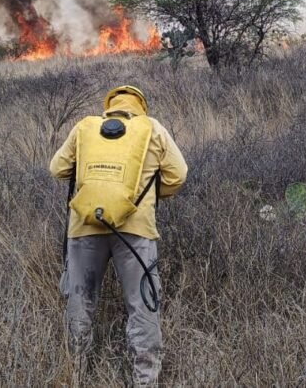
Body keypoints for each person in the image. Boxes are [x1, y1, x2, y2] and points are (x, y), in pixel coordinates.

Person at [49, 85, 188, 386]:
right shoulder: (153, 129)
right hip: (135, 231)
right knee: (142, 306)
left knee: (80, 304)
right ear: (141, 107)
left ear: (108, 107)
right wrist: (145, 196)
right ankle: (146, 380)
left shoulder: (84, 128)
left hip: (84, 226)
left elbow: (57, 168)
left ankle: (75, 374)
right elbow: (178, 175)